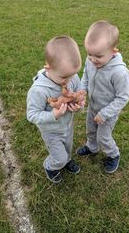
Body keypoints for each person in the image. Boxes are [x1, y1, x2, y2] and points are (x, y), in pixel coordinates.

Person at [27, 35, 85, 183]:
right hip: (51, 131)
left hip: (67, 126)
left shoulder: (71, 75)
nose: (69, 81)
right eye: (64, 78)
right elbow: (32, 115)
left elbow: (79, 92)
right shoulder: (39, 90)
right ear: (48, 68)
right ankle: (51, 166)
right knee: (59, 157)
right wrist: (53, 114)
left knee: (67, 149)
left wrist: (79, 105)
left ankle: (66, 160)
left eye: (73, 75)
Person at [76, 20, 129, 174]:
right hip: (93, 107)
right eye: (89, 54)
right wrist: (82, 91)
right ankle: (92, 147)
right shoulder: (91, 60)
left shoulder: (119, 73)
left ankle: (113, 154)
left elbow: (123, 97)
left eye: (98, 56)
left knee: (103, 138)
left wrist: (105, 113)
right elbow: (85, 76)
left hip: (108, 114)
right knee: (90, 131)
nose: (92, 59)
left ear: (114, 51)